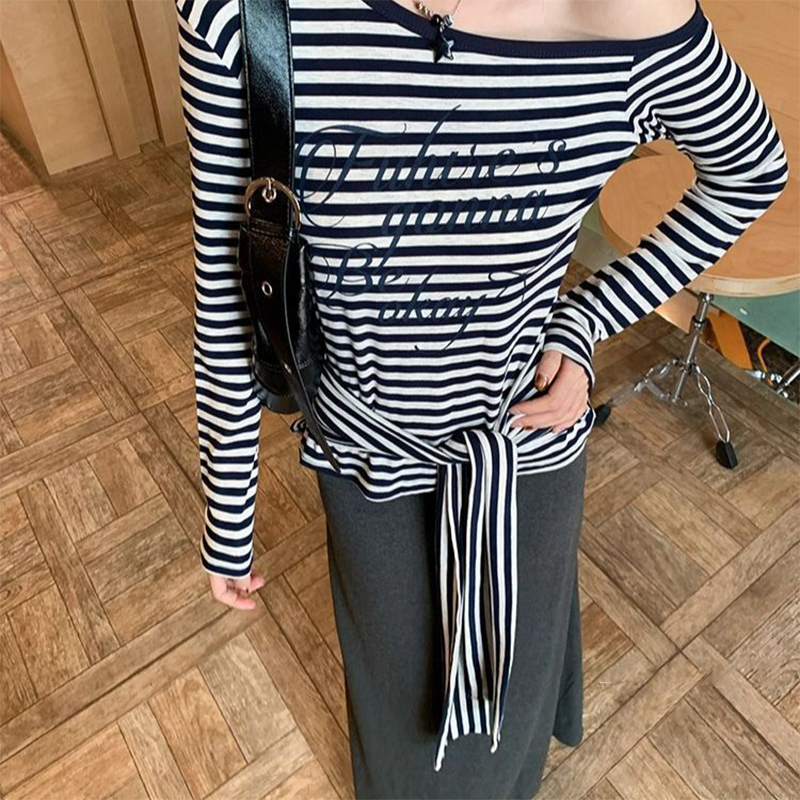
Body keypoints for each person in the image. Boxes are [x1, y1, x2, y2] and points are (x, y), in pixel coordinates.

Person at [174, 0, 788, 796]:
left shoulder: (631, 19)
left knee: (519, 671)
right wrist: (229, 509)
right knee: (402, 701)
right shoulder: (246, 16)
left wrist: (587, 317)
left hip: (525, 444)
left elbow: (750, 172)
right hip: (365, 454)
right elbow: (231, 278)